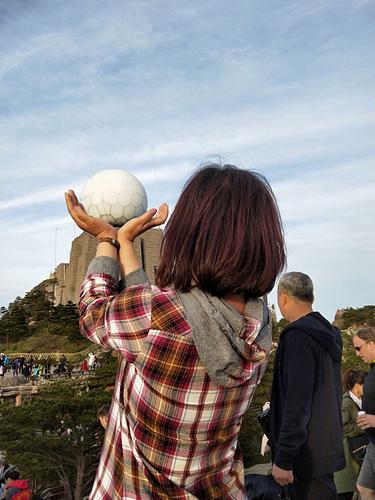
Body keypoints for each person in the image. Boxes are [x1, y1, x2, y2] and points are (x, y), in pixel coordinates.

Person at [65, 163, 286, 499]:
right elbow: (169, 318)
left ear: (189, 235)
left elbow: (94, 311)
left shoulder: (157, 316)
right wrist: (127, 244)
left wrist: (107, 240)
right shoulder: (258, 327)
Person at [269, 271, 345, 500]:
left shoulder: (298, 338)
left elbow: (297, 403)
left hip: (305, 457)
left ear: (283, 298)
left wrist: (283, 458)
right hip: (324, 449)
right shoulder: (327, 334)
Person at [334, 368, 367, 499]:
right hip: (348, 453)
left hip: (356, 451)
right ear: (358, 385)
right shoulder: (346, 402)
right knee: (345, 491)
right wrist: (364, 426)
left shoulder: (359, 400)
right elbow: (342, 427)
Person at [353, 327, 375, 499]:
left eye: (358, 348)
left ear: (372, 345)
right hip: (373, 442)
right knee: (363, 487)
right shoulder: (372, 369)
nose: (357, 354)